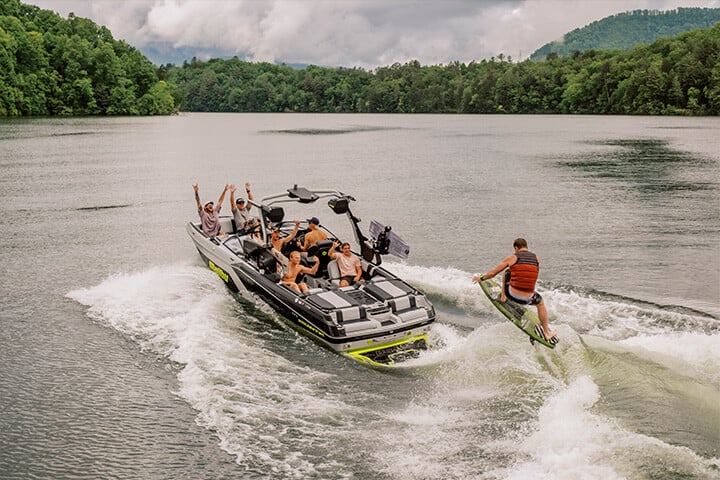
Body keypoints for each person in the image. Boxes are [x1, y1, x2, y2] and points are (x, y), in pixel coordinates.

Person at [472, 238, 556, 341]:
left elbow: (493, 273)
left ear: (516, 248)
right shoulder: (536, 258)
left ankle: (503, 297)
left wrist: (481, 279)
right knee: (540, 303)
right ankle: (547, 332)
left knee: (507, 272)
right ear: (526, 247)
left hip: (513, 295)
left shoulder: (512, 257)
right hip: (529, 298)